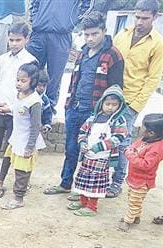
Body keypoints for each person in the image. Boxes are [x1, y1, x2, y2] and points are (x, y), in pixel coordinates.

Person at [43, 12, 124, 196]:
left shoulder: (113, 55)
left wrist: (108, 115)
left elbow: (116, 89)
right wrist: (68, 105)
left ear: (104, 31)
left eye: (95, 34)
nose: (90, 38)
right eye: (87, 34)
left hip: (96, 114)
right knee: (71, 148)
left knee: (92, 153)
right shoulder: (82, 53)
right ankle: (65, 183)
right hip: (75, 108)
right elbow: (74, 81)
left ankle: (85, 191)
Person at [109, 0, 163, 198]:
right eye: (137, 17)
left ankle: (117, 182)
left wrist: (135, 105)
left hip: (131, 100)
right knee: (105, 137)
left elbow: (153, 78)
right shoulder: (122, 34)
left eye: (145, 18)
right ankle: (100, 180)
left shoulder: (157, 44)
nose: (140, 22)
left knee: (123, 142)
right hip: (111, 96)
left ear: (154, 17)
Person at [0, 62, 46, 208]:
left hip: (26, 140)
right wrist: (7, 109)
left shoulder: (35, 102)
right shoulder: (20, 95)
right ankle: (2, 182)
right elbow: (17, 108)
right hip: (17, 137)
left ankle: (18, 198)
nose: (19, 83)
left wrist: (30, 147)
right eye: (17, 80)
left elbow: (35, 126)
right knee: (8, 158)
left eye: (23, 81)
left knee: (22, 169)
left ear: (33, 81)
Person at [68, 86, 128, 217]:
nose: (110, 107)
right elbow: (82, 132)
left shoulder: (118, 121)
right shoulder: (93, 118)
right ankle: (83, 201)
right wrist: (83, 143)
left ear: (120, 106)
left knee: (95, 182)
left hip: (102, 157)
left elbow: (119, 137)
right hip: (88, 155)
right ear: (102, 103)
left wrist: (99, 146)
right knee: (84, 178)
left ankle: (92, 207)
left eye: (114, 105)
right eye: (107, 104)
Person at [0, 21, 35, 178]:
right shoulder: (3, 59)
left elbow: (31, 93)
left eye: (18, 40)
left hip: (16, 113)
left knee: (9, 148)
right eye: (11, 40)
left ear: (26, 39)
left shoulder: (30, 61)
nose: (14, 43)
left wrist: (12, 107)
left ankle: (1, 179)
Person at [26, 0, 94, 108]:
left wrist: (72, 21)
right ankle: (26, 104)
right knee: (30, 70)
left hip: (62, 35)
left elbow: (88, 4)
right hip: (39, 33)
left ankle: (49, 107)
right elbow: (34, 3)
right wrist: (35, 19)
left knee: (55, 76)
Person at [117, 113, 163, 231]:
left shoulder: (156, 149)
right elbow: (133, 146)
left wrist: (130, 155)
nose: (140, 128)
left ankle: (127, 221)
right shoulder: (145, 139)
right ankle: (136, 217)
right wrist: (130, 150)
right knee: (134, 199)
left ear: (151, 132)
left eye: (143, 126)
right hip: (135, 178)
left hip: (142, 181)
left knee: (134, 201)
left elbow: (145, 165)